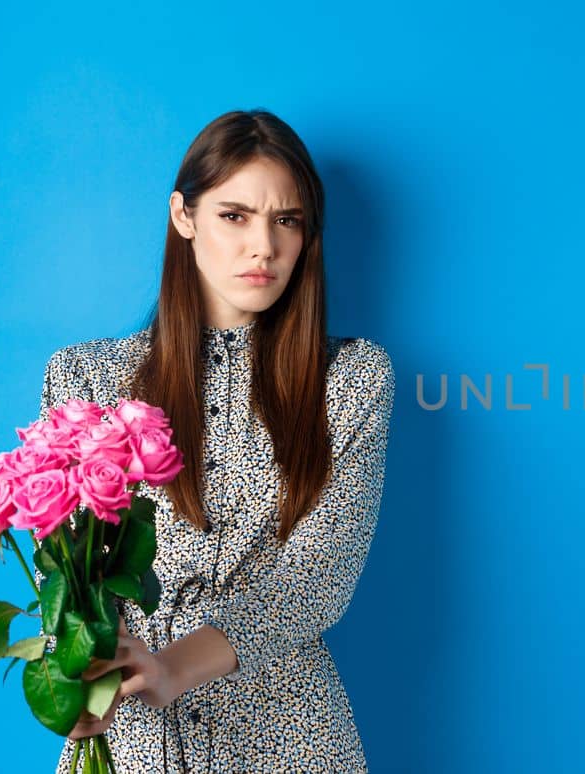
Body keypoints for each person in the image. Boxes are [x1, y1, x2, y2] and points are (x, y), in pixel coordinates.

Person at [36, 109, 395, 773]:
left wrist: (175, 665)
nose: (264, 246)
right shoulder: (87, 379)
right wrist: (79, 664)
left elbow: (317, 576)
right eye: (235, 215)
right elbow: (67, 569)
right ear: (184, 217)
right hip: (132, 733)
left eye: (286, 220)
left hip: (291, 738)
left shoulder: (350, 379)